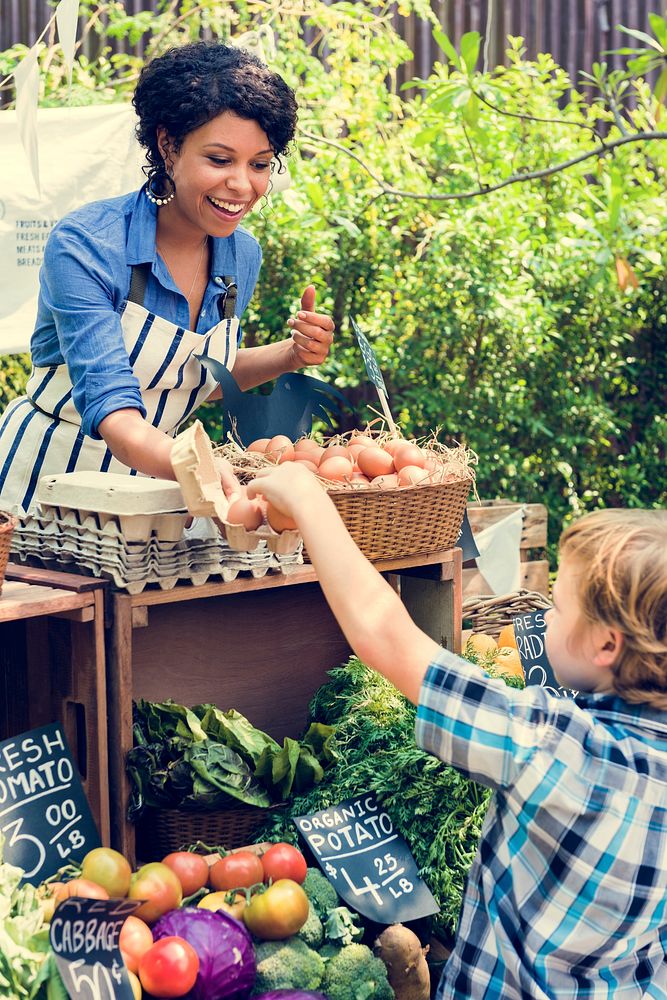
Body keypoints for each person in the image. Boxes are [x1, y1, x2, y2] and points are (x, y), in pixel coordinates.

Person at [248, 461, 667, 999]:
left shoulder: (555, 744)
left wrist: (310, 500)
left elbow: (387, 636)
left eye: (559, 606)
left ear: (607, 645)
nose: (546, 618)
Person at [0, 41, 334, 513]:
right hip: (48, 488)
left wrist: (290, 355)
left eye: (259, 164)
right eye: (219, 160)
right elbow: (114, 410)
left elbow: (189, 382)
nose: (242, 184)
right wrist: (193, 460)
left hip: (158, 494)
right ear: (169, 146)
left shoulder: (242, 256)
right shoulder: (87, 246)